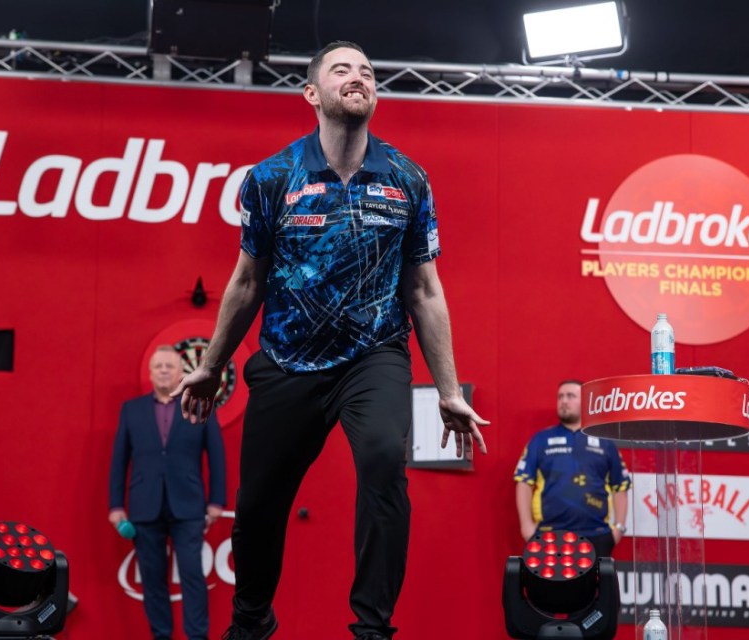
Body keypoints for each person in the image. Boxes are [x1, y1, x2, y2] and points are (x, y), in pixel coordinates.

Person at [171, 41, 488, 640]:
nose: (359, 77)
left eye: (369, 71)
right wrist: (212, 366)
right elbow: (246, 283)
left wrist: (448, 390)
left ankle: (372, 628)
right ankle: (252, 620)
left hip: (375, 354)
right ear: (312, 94)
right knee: (260, 505)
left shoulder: (408, 180)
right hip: (289, 361)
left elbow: (424, 290)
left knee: (381, 460)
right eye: (342, 69)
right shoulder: (271, 179)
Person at [109, 346, 227, 640]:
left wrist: (216, 502)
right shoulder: (131, 410)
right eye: (158, 366)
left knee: (193, 577)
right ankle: (161, 635)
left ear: (181, 373)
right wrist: (115, 505)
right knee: (152, 580)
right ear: (150, 373)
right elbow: (119, 460)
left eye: (169, 366)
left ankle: (197, 637)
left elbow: (217, 457)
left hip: (188, 507)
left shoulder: (200, 405)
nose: (163, 370)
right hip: (144, 506)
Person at [513, 379, 631, 559]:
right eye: (560, 397)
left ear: (585, 402)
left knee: (596, 588)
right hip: (549, 534)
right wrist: (527, 527)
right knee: (547, 588)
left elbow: (620, 487)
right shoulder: (541, 439)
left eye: (570, 396)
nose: (564, 401)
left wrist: (618, 529)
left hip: (597, 534)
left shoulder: (605, 442)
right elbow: (523, 482)